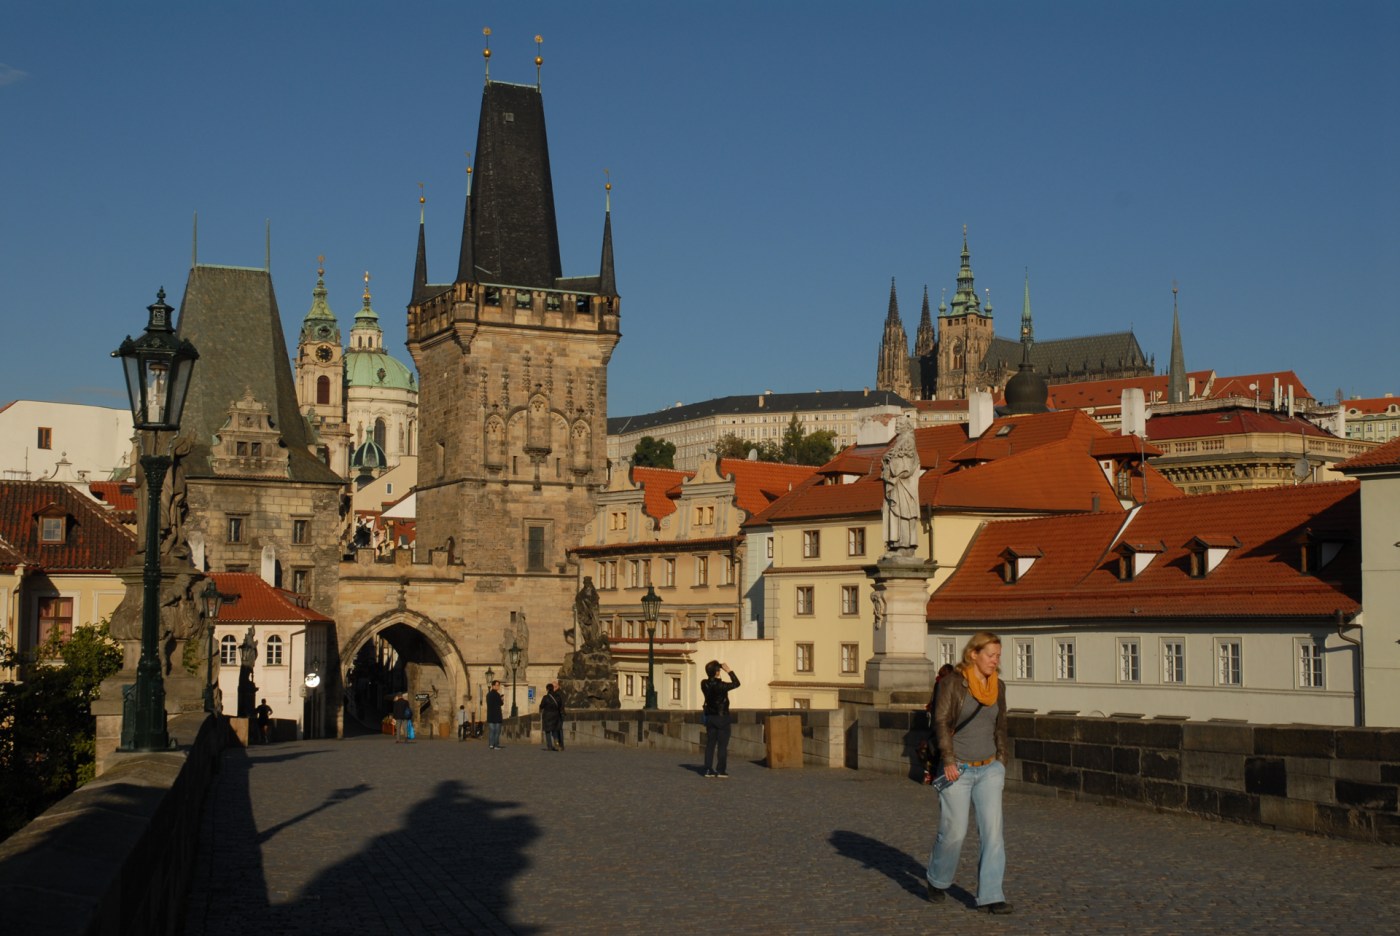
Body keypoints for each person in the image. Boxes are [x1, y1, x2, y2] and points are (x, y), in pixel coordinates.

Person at [925, 632, 1012, 914]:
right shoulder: (952, 683)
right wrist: (948, 760)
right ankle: (937, 880)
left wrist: (1001, 761)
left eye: (998, 655)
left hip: (989, 768)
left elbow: (1001, 726)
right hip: (957, 768)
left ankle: (991, 894)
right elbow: (940, 721)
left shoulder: (997, 685)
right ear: (973, 654)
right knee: (954, 833)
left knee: (993, 834)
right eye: (991, 655)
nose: (995, 660)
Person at [700, 660, 740, 778]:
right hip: (722, 717)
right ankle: (721, 770)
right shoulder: (721, 686)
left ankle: (708, 769)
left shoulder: (704, 683)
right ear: (717, 672)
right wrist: (729, 671)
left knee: (710, 745)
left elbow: (711, 684)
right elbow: (736, 683)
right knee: (722, 746)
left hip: (710, 718)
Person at [540, 682, 564, 751]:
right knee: (555, 731)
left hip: (547, 716)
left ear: (547, 689)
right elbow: (560, 705)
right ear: (553, 689)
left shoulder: (545, 698)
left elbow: (542, 706)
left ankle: (549, 747)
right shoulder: (558, 697)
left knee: (548, 732)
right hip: (556, 716)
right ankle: (557, 744)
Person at [486, 680, 505, 749]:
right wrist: (502, 699)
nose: (498, 686)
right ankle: (496, 745)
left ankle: (491, 744)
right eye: (497, 685)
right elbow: (501, 703)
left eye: (498, 685)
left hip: (490, 716)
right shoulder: (497, 695)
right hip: (497, 716)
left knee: (491, 731)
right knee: (497, 731)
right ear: (493, 685)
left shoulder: (488, 695)